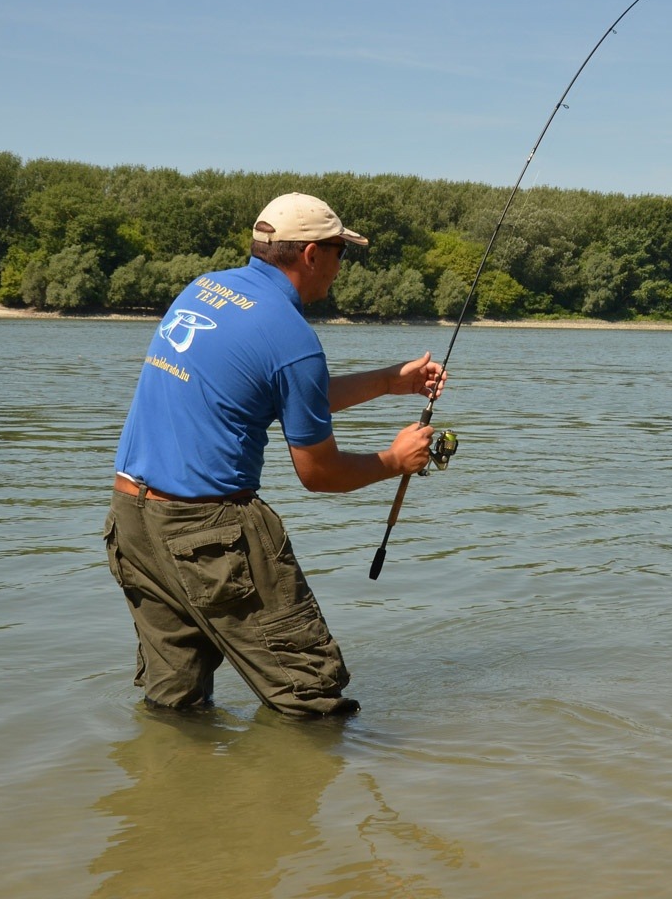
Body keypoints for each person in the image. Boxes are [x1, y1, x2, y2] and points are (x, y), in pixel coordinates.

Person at [103, 192, 444, 717]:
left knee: (175, 704)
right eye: (340, 253)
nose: (339, 268)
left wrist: (386, 382)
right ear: (311, 255)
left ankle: (173, 793)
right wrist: (395, 460)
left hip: (133, 519)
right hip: (209, 531)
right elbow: (319, 473)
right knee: (312, 696)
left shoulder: (204, 289)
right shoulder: (292, 337)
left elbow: (275, 388)